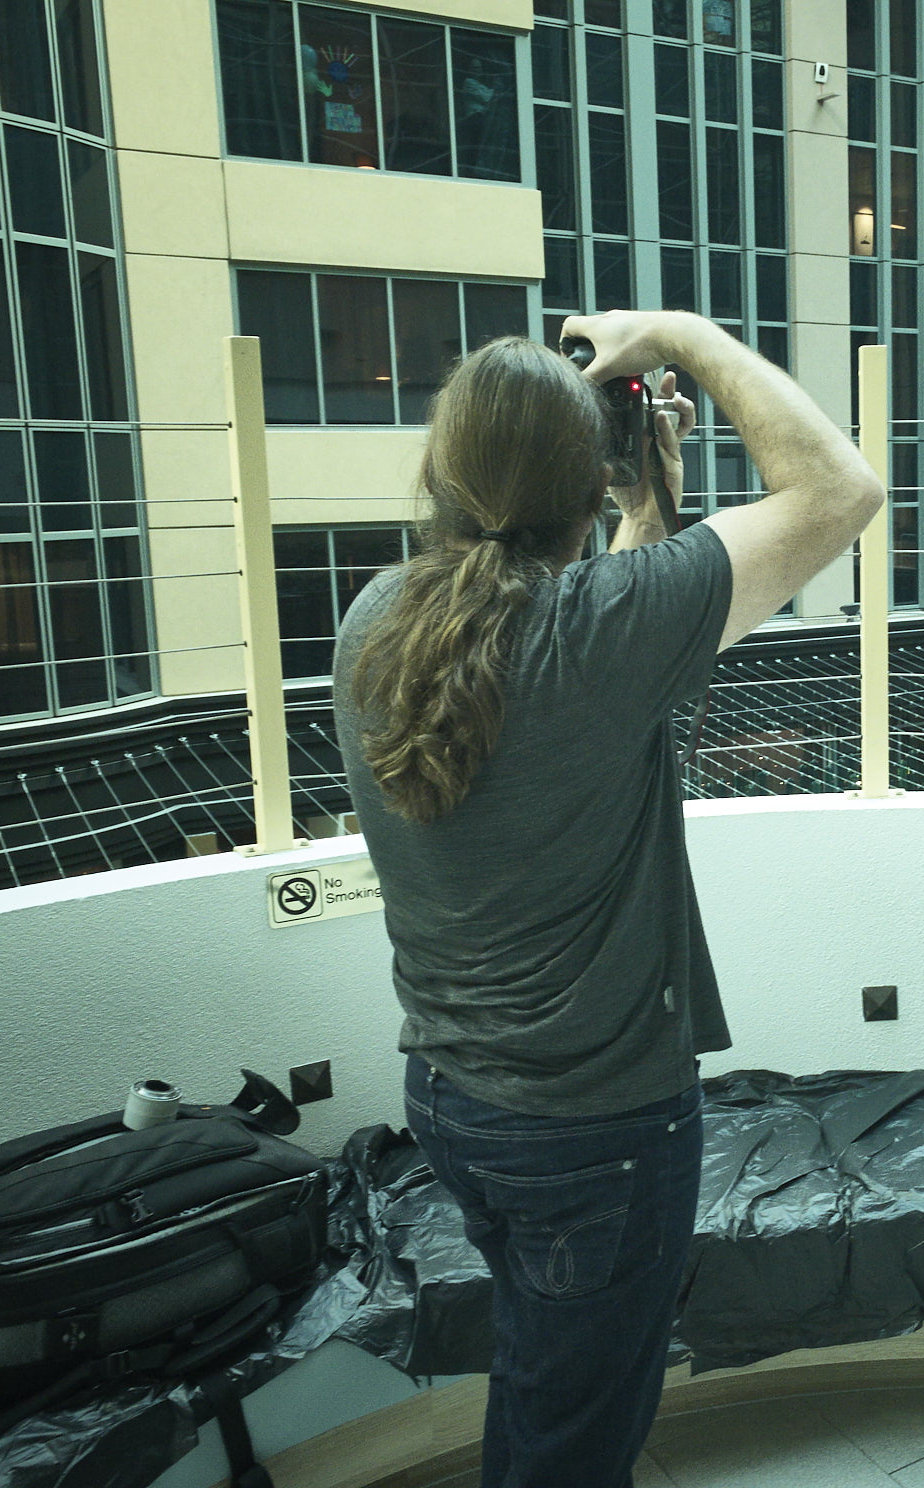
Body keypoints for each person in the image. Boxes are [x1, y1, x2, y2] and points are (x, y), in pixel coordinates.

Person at [331, 311, 883, 1488]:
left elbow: (548, 653)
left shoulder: (376, 622)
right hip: (594, 1129)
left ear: (439, 476)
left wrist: (642, 510)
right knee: (580, 1427)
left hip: (453, 1098)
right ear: (583, 491)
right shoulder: (592, 633)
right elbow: (838, 487)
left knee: (543, 1373)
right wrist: (677, 334)